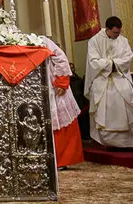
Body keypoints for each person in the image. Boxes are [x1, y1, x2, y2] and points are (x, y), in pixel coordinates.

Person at [85, 17, 133, 148]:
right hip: (102, 79)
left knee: (127, 103)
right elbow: (93, 61)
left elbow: (128, 57)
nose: (117, 35)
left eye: (118, 32)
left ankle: (128, 141)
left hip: (120, 77)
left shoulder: (123, 41)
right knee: (105, 110)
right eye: (114, 33)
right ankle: (106, 142)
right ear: (107, 29)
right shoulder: (94, 41)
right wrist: (111, 65)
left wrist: (113, 64)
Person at [43, 37, 84, 168]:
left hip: (55, 86)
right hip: (42, 89)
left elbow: (60, 58)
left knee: (61, 122)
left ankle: (63, 161)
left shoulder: (41, 41)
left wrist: (62, 81)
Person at [68, 62, 90, 140]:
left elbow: (83, 91)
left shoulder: (79, 80)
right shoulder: (66, 81)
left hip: (81, 104)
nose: (71, 69)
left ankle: (85, 136)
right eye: (70, 68)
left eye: (72, 68)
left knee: (83, 121)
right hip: (71, 104)